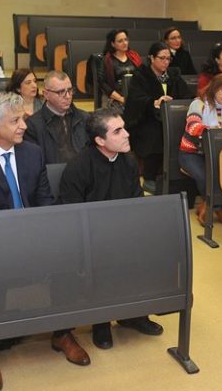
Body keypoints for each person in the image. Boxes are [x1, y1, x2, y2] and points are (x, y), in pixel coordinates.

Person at [0, 92, 90, 391]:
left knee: (68, 259)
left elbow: (43, 201)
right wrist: (9, 244)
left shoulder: (31, 153)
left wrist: (48, 239)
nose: (24, 126)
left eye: (23, 119)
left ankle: (62, 331)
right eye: (15, 121)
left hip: (33, 237)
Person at [57, 108, 165, 349]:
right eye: (118, 131)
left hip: (122, 231)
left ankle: (134, 315)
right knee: (104, 260)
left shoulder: (128, 160)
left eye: (124, 128)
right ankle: (101, 322)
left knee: (149, 250)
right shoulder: (78, 167)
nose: (127, 134)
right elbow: (70, 215)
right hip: (89, 237)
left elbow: (136, 200)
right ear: (100, 140)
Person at [178, 73, 222, 228]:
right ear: (214, 89)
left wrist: (216, 130)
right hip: (192, 153)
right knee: (205, 177)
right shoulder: (199, 104)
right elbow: (194, 127)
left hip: (216, 154)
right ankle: (219, 209)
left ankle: (206, 206)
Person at [124, 42, 192, 193]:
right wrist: (154, 102)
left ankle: (176, 176)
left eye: (168, 59)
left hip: (171, 119)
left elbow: (187, 96)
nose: (166, 62)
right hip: (146, 118)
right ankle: (150, 177)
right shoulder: (141, 75)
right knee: (154, 133)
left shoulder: (174, 75)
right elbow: (135, 100)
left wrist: (173, 103)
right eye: (162, 58)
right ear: (152, 58)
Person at [25, 70, 90, 164]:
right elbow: (34, 163)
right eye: (61, 92)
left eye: (70, 90)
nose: (68, 96)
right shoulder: (32, 126)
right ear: (46, 94)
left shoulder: (84, 118)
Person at [99, 28, 142, 110]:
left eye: (126, 39)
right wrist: (121, 99)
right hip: (115, 97)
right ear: (113, 44)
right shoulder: (106, 60)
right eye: (120, 41)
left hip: (134, 95)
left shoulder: (135, 56)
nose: (125, 43)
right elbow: (103, 84)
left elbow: (142, 77)